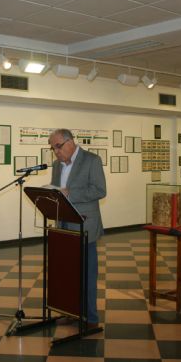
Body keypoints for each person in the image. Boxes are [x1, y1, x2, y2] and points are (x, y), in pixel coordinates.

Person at [48, 128, 106, 329]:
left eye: (58, 146)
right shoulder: (57, 165)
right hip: (63, 225)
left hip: (84, 225)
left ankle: (90, 318)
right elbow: (57, 192)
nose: (55, 151)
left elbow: (99, 190)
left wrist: (70, 194)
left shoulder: (92, 160)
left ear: (70, 142)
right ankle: (72, 312)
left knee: (87, 275)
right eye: (52, 148)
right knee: (68, 274)